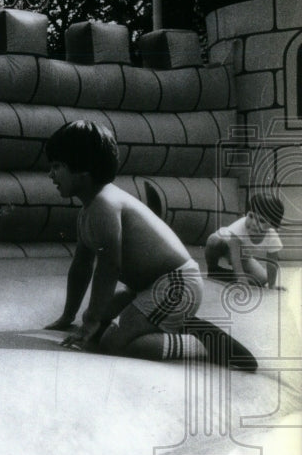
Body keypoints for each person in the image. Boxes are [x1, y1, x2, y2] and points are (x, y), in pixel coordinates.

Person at [43, 120, 215, 362]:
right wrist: (69, 316)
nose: (50, 174)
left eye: (57, 166)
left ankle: (198, 343)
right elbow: (81, 267)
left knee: (114, 342)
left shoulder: (105, 204)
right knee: (97, 330)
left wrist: (90, 321)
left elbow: (108, 268)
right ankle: (167, 324)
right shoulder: (88, 211)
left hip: (177, 286)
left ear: (83, 168)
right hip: (149, 288)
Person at [204, 194, 285, 290]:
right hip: (224, 243)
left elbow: (272, 262)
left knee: (262, 279)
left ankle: (222, 275)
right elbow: (235, 255)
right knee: (213, 240)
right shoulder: (239, 227)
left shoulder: (272, 237)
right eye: (251, 216)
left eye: (261, 221)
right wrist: (241, 277)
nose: (254, 223)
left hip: (243, 254)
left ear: (273, 225)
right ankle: (213, 268)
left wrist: (272, 285)